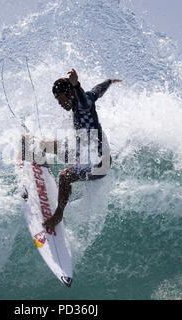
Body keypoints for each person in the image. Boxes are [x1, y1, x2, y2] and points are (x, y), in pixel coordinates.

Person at [42, 69, 122, 229]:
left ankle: (58, 214)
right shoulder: (88, 97)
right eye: (57, 100)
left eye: (61, 99)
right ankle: (43, 167)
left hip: (99, 164)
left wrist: (76, 85)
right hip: (87, 155)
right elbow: (98, 90)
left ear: (70, 93)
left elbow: (84, 101)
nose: (60, 104)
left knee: (65, 176)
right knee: (47, 145)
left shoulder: (83, 104)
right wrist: (109, 81)